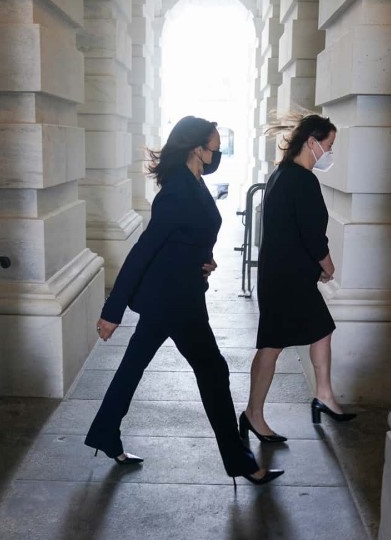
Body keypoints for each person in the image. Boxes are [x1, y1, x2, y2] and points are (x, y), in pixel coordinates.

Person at [86, 116, 283, 486]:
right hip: (175, 299)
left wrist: (204, 261)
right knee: (214, 371)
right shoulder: (178, 190)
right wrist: (113, 311)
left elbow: (189, 236)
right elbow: (144, 249)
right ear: (197, 149)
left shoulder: (194, 181)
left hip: (179, 291)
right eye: (215, 147)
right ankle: (240, 462)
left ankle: (105, 433)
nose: (218, 154)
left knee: (134, 365)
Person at [240, 114, 355, 443]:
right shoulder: (302, 180)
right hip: (287, 281)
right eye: (329, 146)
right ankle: (253, 414)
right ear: (311, 142)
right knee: (272, 346)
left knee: (321, 329)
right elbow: (312, 235)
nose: (330, 153)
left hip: (284, 276)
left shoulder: (282, 174)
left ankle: (324, 395)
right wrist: (328, 266)